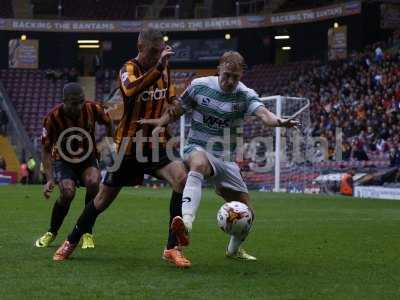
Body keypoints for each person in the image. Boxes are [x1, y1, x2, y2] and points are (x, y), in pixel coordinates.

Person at [140, 51, 299, 262]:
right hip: (197, 147)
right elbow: (179, 109)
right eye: (226, 75)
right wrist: (161, 121)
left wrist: (278, 121)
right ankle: (185, 222)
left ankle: (233, 251)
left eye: (235, 76)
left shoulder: (245, 94)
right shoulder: (199, 86)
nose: (230, 80)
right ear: (218, 70)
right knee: (198, 164)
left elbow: (263, 114)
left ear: (242, 74)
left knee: (248, 213)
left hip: (226, 159)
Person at [53, 29, 191, 268]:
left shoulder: (163, 68)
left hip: (157, 142)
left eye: (160, 52)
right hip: (128, 146)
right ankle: (70, 241)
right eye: (153, 52)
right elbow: (130, 90)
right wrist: (158, 67)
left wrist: (176, 105)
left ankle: (172, 248)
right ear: (140, 47)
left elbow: (171, 99)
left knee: (181, 177)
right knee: (102, 200)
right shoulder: (128, 69)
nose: (158, 56)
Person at [34, 82, 113, 249]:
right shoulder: (52, 118)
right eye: (74, 103)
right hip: (64, 160)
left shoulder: (92, 108)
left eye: (81, 101)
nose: (79, 106)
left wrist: (112, 141)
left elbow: (108, 122)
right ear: (64, 101)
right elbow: (46, 150)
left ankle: (87, 233)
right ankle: (52, 232)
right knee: (67, 193)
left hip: (88, 158)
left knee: (93, 182)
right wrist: (49, 179)